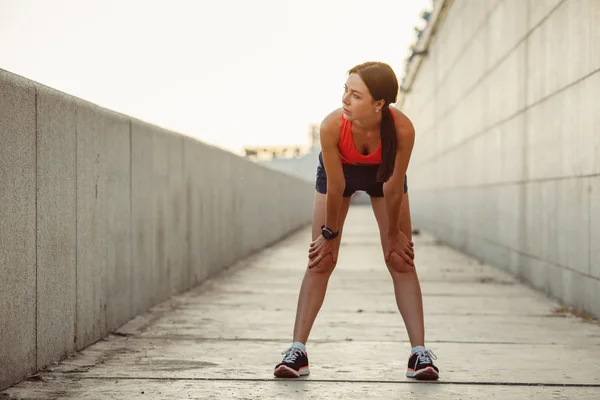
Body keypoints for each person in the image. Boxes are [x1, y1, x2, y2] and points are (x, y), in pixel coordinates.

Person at [273, 61, 439, 381]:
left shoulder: (402, 128)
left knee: (400, 259)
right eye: (345, 91)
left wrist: (392, 235)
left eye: (356, 95)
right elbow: (336, 187)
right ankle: (297, 351)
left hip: (383, 176)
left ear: (379, 104)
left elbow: (391, 186)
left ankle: (419, 354)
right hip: (341, 175)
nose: (345, 101)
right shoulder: (332, 126)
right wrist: (329, 234)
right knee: (322, 259)